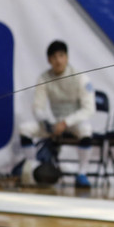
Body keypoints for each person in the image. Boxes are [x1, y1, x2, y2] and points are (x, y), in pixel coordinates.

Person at [18, 40, 96, 188]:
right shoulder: (44, 78)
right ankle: (33, 168)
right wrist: (47, 123)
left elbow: (89, 109)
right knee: (25, 128)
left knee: (86, 130)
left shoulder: (80, 78)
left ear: (67, 57)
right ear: (49, 60)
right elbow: (38, 107)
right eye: (54, 57)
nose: (58, 60)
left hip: (74, 123)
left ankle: (82, 173)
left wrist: (65, 123)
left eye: (61, 56)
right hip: (54, 123)